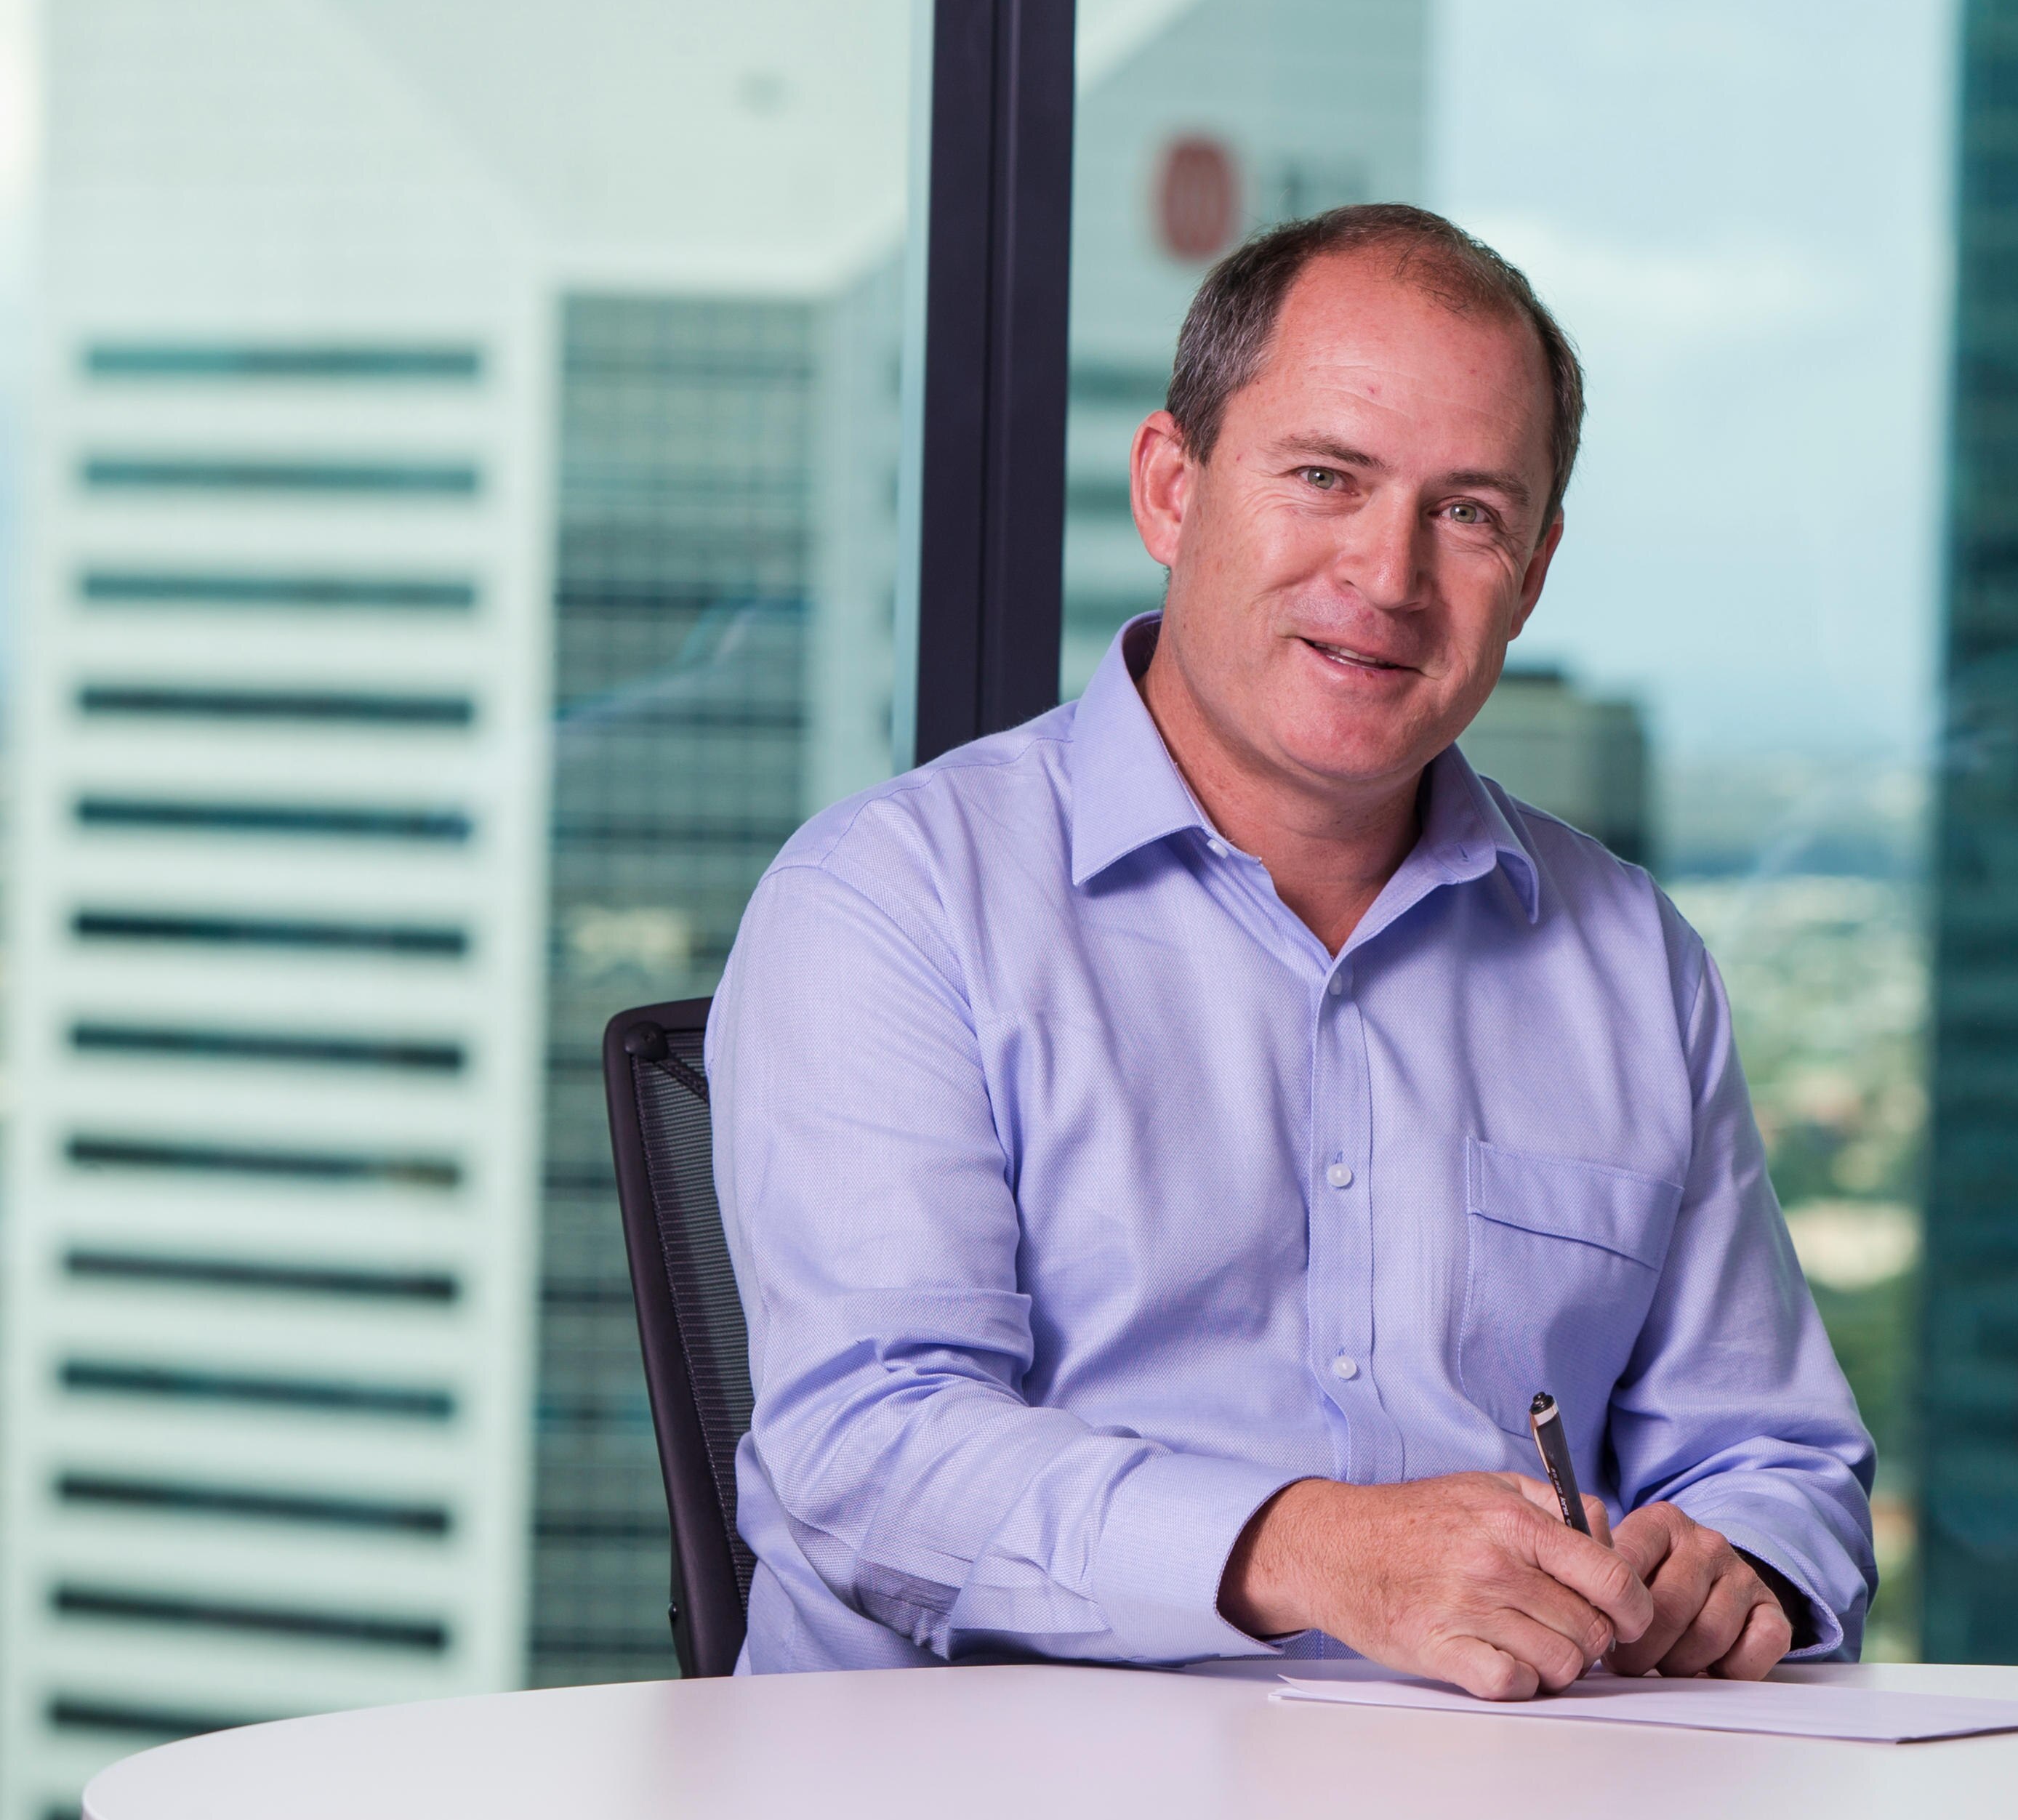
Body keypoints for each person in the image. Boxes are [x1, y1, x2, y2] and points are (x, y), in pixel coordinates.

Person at [709, 203, 1874, 1698]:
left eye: (1466, 513)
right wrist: (1309, 1551)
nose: (1386, 575)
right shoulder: (890, 901)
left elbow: (1780, 1457)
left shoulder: (1628, 958)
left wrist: (1732, 1565)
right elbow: (869, 1449)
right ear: (1172, 488)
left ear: (1531, 569)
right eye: (1326, 477)